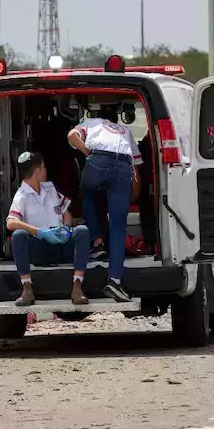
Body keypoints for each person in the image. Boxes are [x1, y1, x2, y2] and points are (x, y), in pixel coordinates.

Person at [68, 104, 139, 303]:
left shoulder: (91, 123)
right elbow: (136, 168)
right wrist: (134, 194)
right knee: (118, 227)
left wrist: (87, 152)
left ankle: (97, 241)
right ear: (116, 121)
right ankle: (114, 280)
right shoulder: (127, 131)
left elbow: (71, 136)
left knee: (87, 192)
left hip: (97, 161)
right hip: (123, 166)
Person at [5, 151, 90, 307]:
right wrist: (40, 232)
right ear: (37, 171)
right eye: (43, 167)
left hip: (62, 244)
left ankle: (77, 287)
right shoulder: (21, 196)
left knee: (82, 231)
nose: (46, 170)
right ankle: (27, 288)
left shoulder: (49, 188)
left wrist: (65, 227)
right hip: (42, 248)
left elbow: (67, 213)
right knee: (18, 235)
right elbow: (10, 222)